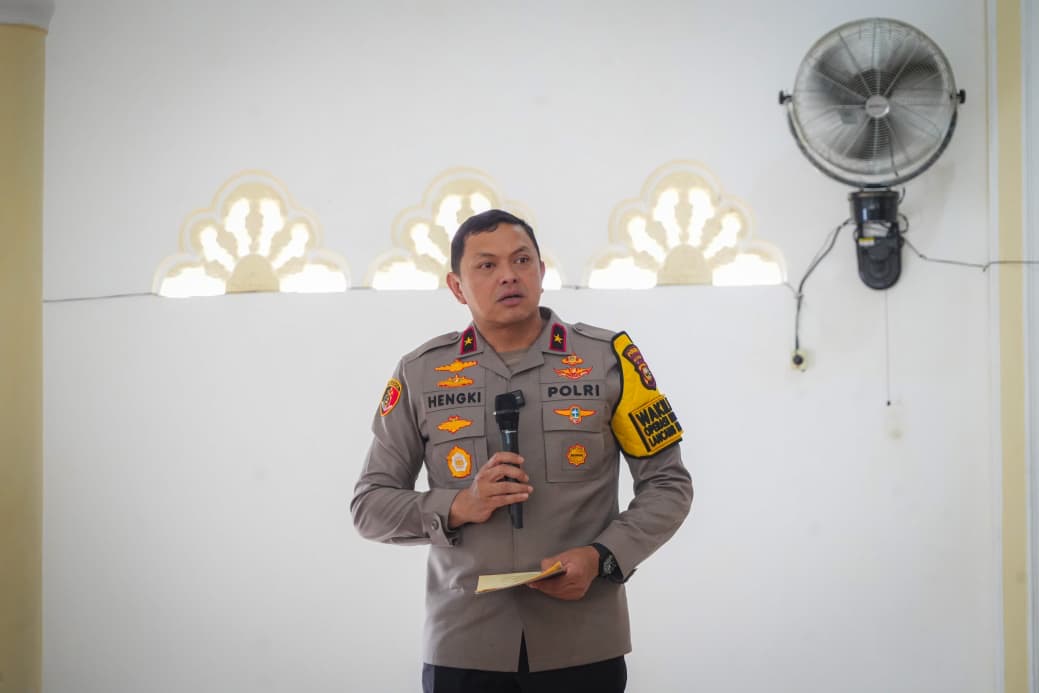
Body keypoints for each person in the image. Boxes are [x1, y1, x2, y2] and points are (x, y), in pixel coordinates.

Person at [351, 209, 693, 692]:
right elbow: (369, 506)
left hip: (584, 643)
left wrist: (602, 557)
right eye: (486, 265)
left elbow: (669, 485)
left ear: (541, 271)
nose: (508, 275)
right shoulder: (420, 374)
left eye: (521, 260)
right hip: (464, 646)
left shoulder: (608, 359)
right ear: (456, 287)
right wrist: (458, 505)